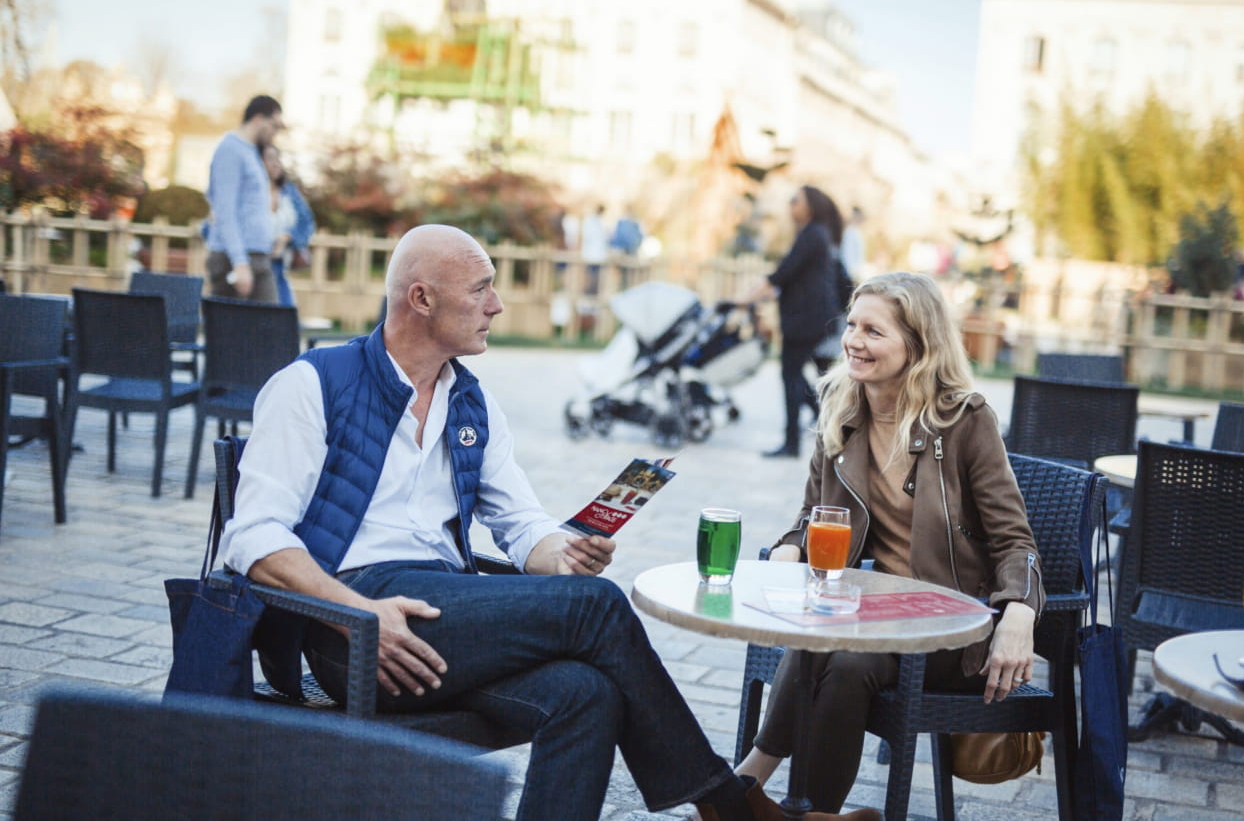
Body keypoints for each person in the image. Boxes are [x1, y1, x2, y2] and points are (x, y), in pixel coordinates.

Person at [217, 224, 877, 821]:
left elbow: (520, 522)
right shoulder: (313, 383)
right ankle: (728, 807)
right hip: (352, 627)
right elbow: (252, 538)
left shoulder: (470, 401)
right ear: (421, 299)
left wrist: (562, 554)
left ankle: (725, 807)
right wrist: (358, 613)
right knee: (595, 608)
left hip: (445, 616)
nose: (497, 305)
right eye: (480, 289)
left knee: (586, 693)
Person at [733, 271, 1044, 814]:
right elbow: (813, 514)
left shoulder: (964, 420)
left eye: (874, 332)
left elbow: (1014, 539)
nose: (854, 341)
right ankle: (811, 812)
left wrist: (1020, 612)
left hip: (950, 628)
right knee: (842, 655)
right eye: (852, 325)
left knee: (838, 648)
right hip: (873, 619)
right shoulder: (842, 408)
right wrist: (789, 547)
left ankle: (744, 786)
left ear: (917, 346)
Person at [740, 185, 844, 458]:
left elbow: (782, 273)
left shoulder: (812, 234)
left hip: (805, 320)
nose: (790, 205)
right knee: (801, 376)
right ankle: (823, 424)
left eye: (795, 200)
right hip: (812, 318)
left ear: (810, 206)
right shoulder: (817, 234)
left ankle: (792, 442)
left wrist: (744, 299)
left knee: (791, 375)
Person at [205, 95, 284, 302]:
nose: (275, 132)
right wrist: (239, 263)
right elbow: (225, 210)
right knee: (234, 323)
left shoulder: (252, 153)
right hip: (234, 259)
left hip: (257, 256)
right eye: (274, 125)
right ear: (258, 119)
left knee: (271, 320)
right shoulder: (230, 150)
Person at [260, 142, 316, 307]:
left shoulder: (289, 191)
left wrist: (288, 237)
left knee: (285, 311)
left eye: (278, 158)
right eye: (270, 158)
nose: (276, 163)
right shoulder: (249, 192)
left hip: (279, 265)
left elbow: (307, 223)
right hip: (253, 263)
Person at [841, 206, 866, 281]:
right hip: (849, 272)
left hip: (854, 272)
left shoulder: (856, 232)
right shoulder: (849, 232)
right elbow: (847, 254)